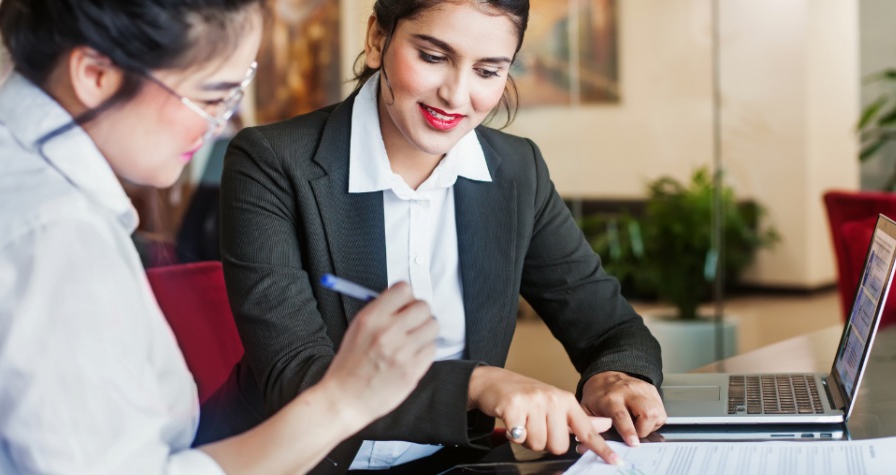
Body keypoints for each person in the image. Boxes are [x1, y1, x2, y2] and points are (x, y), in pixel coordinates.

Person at [0, 0, 438, 473]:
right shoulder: (51, 240)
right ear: (95, 75)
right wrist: (345, 402)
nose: (221, 125)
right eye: (211, 97)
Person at [217, 0, 667, 472]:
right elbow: (299, 377)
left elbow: (610, 328)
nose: (456, 95)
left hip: (458, 463)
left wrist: (617, 377)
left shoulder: (516, 171)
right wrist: (480, 385)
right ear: (376, 40)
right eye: (432, 57)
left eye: (488, 71)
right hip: (299, 461)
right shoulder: (270, 161)